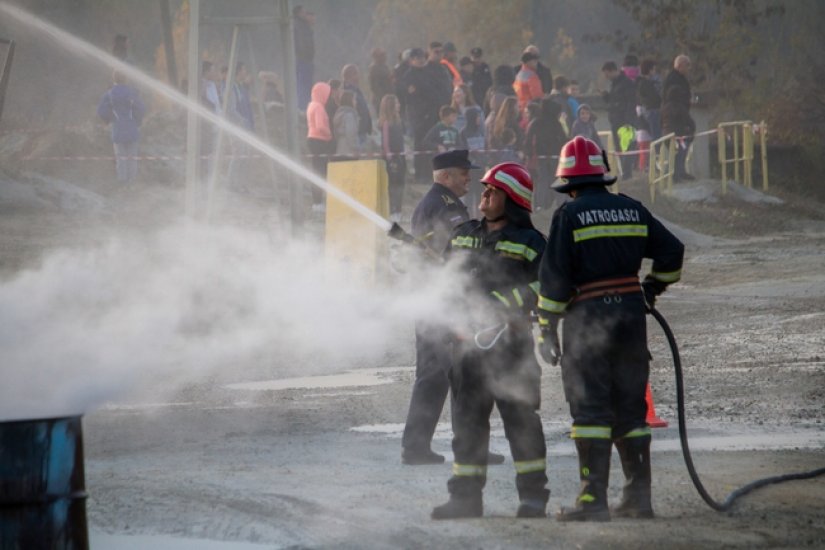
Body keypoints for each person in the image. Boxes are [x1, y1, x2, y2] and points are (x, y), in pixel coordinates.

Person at [536, 136, 684, 522]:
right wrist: (651, 289)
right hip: (631, 322)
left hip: (588, 323)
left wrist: (545, 329)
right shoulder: (632, 209)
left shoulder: (568, 216)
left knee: (590, 409)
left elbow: (553, 282)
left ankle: (592, 500)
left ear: (568, 184)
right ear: (602, 176)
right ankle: (639, 499)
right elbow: (673, 254)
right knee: (631, 410)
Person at [431, 162, 549, 520]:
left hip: (511, 347)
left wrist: (506, 302)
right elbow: (445, 280)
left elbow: (547, 286)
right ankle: (465, 499)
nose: (483, 194)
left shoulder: (532, 243)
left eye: (492, 190)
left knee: (522, 422)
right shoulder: (464, 233)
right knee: (466, 423)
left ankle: (532, 498)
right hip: (467, 349)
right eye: (484, 188)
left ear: (511, 199)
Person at [402, 149, 476, 465]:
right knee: (462, 373)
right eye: (462, 172)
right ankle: (472, 446)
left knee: (433, 375)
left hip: (433, 300)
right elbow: (456, 253)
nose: (468, 177)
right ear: (445, 176)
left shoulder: (441, 204)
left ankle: (416, 447)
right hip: (441, 302)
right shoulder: (442, 206)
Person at [97, 69, 145, 184]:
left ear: (114, 79)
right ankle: (132, 182)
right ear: (126, 79)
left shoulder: (109, 94)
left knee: (121, 158)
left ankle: (122, 183)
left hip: (117, 130)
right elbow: (142, 108)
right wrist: (137, 121)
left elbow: (101, 110)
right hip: (132, 130)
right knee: (132, 158)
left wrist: (109, 119)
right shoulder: (132, 93)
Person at [601, 61, 638, 180]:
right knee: (619, 148)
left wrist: (628, 121)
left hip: (624, 122)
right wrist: (606, 97)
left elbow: (630, 103)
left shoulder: (626, 83)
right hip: (616, 120)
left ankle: (627, 173)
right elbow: (615, 102)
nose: (606, 78)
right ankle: (625, 173)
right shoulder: (615, 84)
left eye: (607, 75)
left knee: (627, 147)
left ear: (613, 71)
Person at [306, 81, 333, 212]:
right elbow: (320, 126)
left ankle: (317, 201)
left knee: (318, 170)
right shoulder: (318, 107)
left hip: (313, 139)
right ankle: (317, 202)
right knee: (320, 172)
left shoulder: (312, 105)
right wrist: (329, 134)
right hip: (319, 141)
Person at [379, 94, 406, 221]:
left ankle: (399, 210)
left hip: (400, 156)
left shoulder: (398, 121)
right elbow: (385, 140)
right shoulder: (386, 122)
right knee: (393, 184)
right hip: (392, 158)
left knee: (400, 183)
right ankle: (392, 210)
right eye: (396, 103)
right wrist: (388, 154)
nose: (399, 105)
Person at [661, 85, 696, 181]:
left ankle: (673, 173)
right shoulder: (680, 107)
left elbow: (660, 122)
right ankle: (678, 173)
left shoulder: (664, 108)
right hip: (679, 136)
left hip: (666, 136)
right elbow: (689, 121)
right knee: (681, 153)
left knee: (673, 154)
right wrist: (691, 131)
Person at [636, 58, 663, 171]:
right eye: (653, 69)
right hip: (652, 111)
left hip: (647, 112)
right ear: (650, 70)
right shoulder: (646, 83)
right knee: (656, 138)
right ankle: (656, 163)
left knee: (652, 139)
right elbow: (653, 98)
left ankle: (652, 164)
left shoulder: (640, 83)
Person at [341, 64, 373, 146]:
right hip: (358, 132)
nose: (359, 76)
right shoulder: (348, 92)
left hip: (363, 131)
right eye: (357, 74)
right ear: (351, 75)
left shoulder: (356, 89)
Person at [293, 5, 315, 111]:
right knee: (303, 85)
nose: (305, 15)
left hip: (305, 59)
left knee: (305, 84)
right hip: (303, 60)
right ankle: (303, 107)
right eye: (303, 12)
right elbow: (301, 44)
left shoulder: (303, 26)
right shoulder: (299, 26)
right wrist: (305, 55)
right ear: (298, 13)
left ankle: (305, 106)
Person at [333, 90, 359, 158]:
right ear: (349, 100)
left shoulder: (339, 114)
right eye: (354, 100)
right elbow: (350, 133)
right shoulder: (349, 115)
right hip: (349, 150)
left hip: (340, 148)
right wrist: (355, 147)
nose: (356, 102)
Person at [368, 48, 393, 115]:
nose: (385, 57)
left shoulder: (384, 66)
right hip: (380, 100)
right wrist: (384, 99)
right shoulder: (374, 68)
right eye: (382, 55)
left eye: (384, 55)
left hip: (387, 97)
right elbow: (375, 87)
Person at [469, 47, 492, 113]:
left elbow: (489, 81)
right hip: (474, 96)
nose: (477, 60)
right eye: (475, 58)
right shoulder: (470, 68)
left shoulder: (485, 67)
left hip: (484, 95)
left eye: (478, 58)